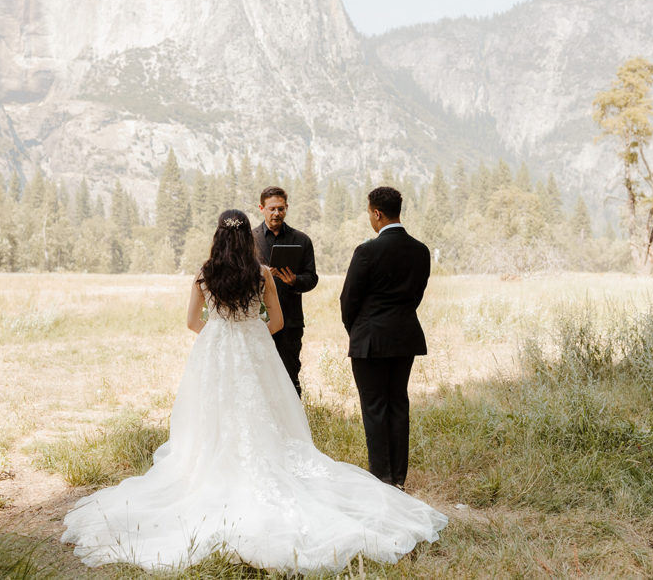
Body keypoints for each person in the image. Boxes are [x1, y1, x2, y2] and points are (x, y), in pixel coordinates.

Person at [61, 209, 446, 573]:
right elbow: (276, 322)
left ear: (217, 238)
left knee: (213, 416)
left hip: (215, 356)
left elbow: (192, 321)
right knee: (264, 414)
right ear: (248, 238)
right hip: (254, 354)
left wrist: (221, 333)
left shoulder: (203, 275)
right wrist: (249, 333)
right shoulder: (262, 274)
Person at [339, 187, 431, 490]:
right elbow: (415, 296)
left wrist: (358, 330)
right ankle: (399, 479)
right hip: (404, 337)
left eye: (369, 212)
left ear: (377, 213)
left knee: (374, 407)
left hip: (370, 341)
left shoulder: (366, 251)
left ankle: (382, 478)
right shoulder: (420, 251)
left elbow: (348, 300)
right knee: (398, 404)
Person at [252, 186, 318, 396]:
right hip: (257, 321)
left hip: (290, 322)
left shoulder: (302, 240)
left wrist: (294, 281)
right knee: (259, 377)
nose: (276, 213)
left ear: (287, 208)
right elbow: (237, 278)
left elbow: (312, 278)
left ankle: (293, 426)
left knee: (290, 376)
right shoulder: (248, 239)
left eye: (281, 209)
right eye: (272, 209)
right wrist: (260, 278)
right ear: (261, 208)